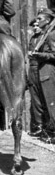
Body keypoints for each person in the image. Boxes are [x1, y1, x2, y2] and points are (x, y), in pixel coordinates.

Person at [27, 8, 55, 137]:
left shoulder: (49, 35)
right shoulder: (40, 37)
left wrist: (38, 55)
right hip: (36, 70)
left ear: (48, 20)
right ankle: (44, 129)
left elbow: (53, 55)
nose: (36, 23)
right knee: (37, 101)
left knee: (50, 101)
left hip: (46, 70)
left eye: (39, 19)